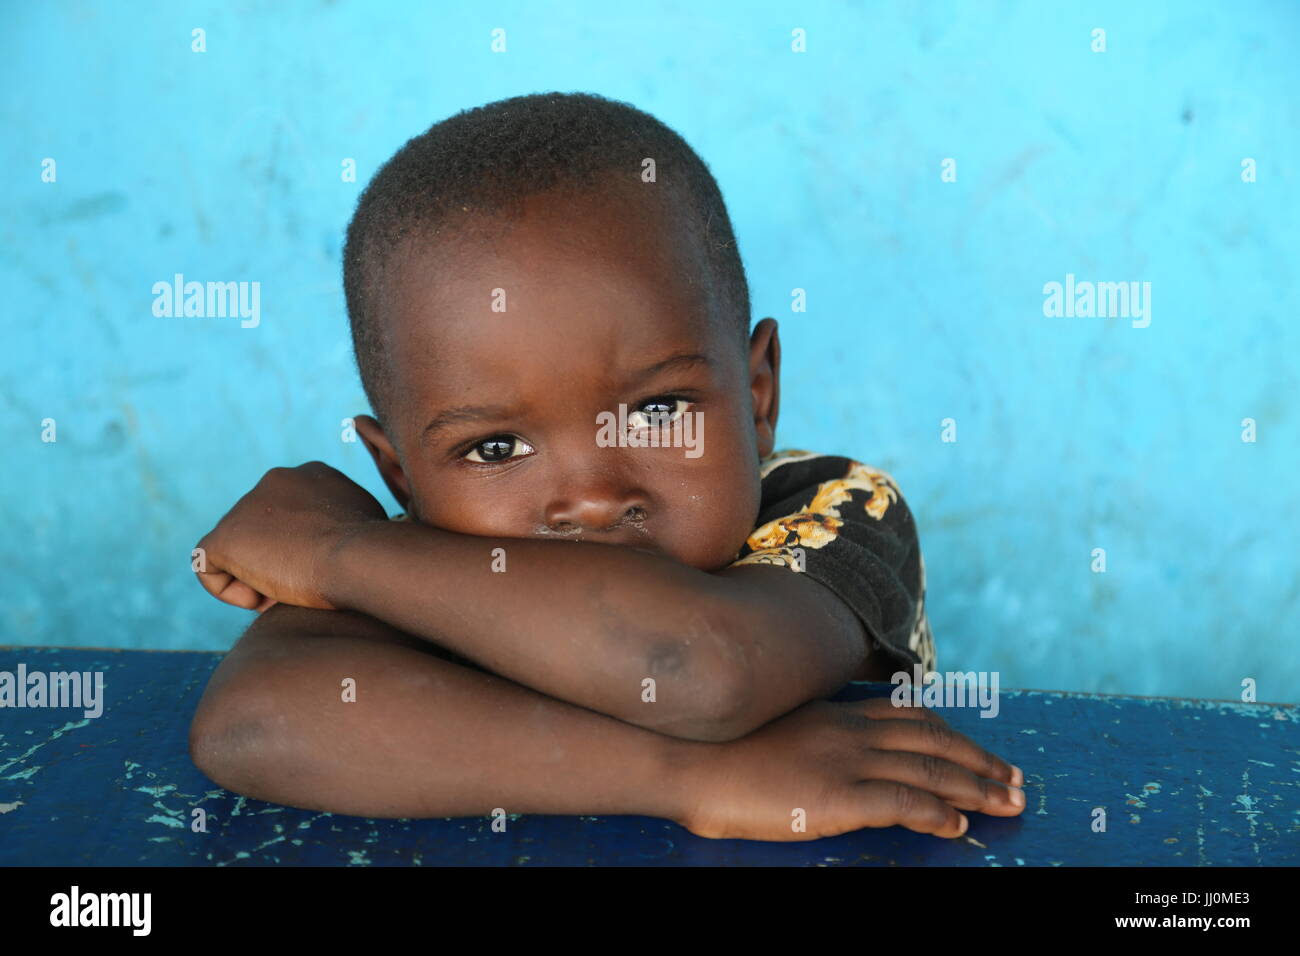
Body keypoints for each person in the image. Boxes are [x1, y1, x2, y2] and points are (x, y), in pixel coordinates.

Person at [189, 91, 1024, 842]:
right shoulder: (431, 554)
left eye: (658, 410)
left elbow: (700, 666)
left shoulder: (834, 505)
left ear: (758, 394)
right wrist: (695, 779)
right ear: (401, 477)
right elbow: (253, 724)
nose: (589, 498)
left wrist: (334, 554)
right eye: (494, 448)